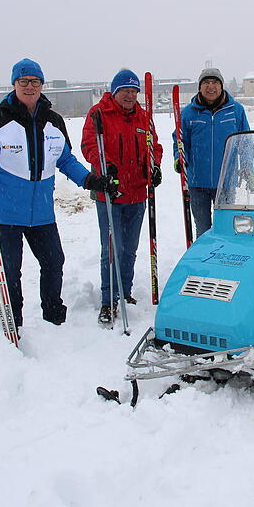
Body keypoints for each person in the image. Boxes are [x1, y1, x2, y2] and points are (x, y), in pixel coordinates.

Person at [0, 58, 117, 336]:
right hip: (6, 213)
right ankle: (14, 319)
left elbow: (65, 159)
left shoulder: (53, 121)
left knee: (54, 261)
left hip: (42, 213)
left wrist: (90, 180)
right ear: (14, 85)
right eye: (23, 82)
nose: (29, 87)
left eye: (34, 82)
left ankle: (53, 315)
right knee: (11, 270)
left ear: (41, 85)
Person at [81, 69, 163, 325]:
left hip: (137, 193)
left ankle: (124, 291)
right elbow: (89, 145)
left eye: (133, 91)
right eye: (125, 91)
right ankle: (108, 300)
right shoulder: (98, 114)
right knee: (112, 249)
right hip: (109, 194)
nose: (129, 95)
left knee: (130, 249)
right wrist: (105, 166)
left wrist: (155, 165)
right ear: (115, 92)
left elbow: (155, 146)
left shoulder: (144, 117)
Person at [173, 68, 250, 237]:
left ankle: (226, 260)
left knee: (226, 228)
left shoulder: (235, 110)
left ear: (221, 85)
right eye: (206, 82)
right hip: (197, 182)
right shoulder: (188, 113)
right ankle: (205, 261)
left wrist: (247, 165)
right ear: (200, 87)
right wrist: (179, 158)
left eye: (214, 82)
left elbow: (246, 142)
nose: (210, 86)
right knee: (203, 230)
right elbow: (179, 141)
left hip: (226, 182)